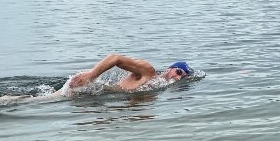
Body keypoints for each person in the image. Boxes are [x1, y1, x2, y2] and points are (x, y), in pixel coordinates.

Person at [64, 54, 194, 92]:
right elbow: (116, 58)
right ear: (169, 69)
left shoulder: (157, 85)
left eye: (181, 77)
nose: (177, 77)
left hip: (91, 95)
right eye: (178, 72)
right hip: (83, 88)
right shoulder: (148, 71)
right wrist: (91, 75)